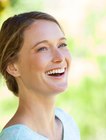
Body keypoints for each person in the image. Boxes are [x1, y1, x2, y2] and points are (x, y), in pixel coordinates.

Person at [0, 11, 80, 140]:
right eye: (42, 48)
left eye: (62, 45)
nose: (60, 57)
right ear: (13, 67)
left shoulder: (68, 123)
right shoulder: (16, 137)